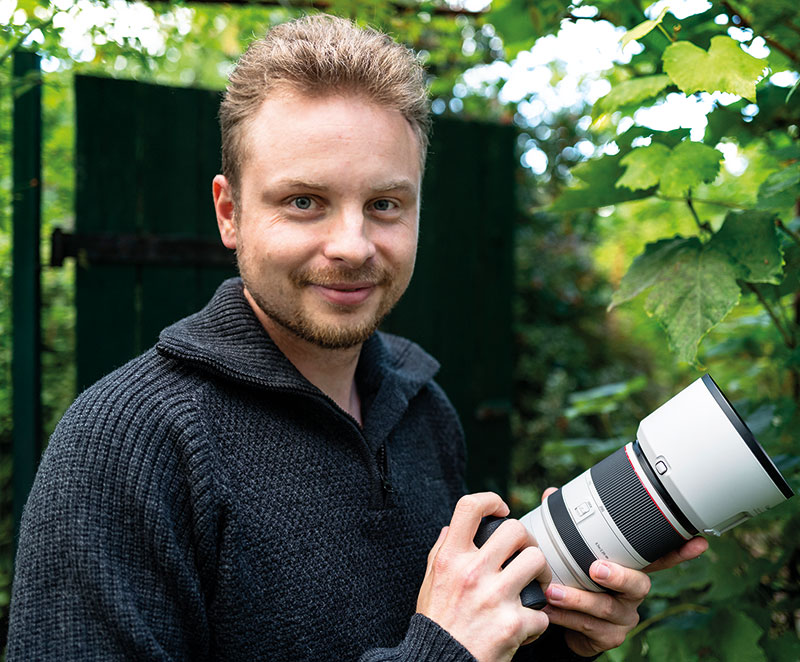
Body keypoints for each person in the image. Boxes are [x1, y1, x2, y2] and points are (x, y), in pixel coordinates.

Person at [7, 14, 707, 662]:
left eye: (384, 205)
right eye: (304, 201)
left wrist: (553, 639)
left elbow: (453, 643)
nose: (352, 245)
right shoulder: (123, 445)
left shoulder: (424, 412)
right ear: (229, 212)